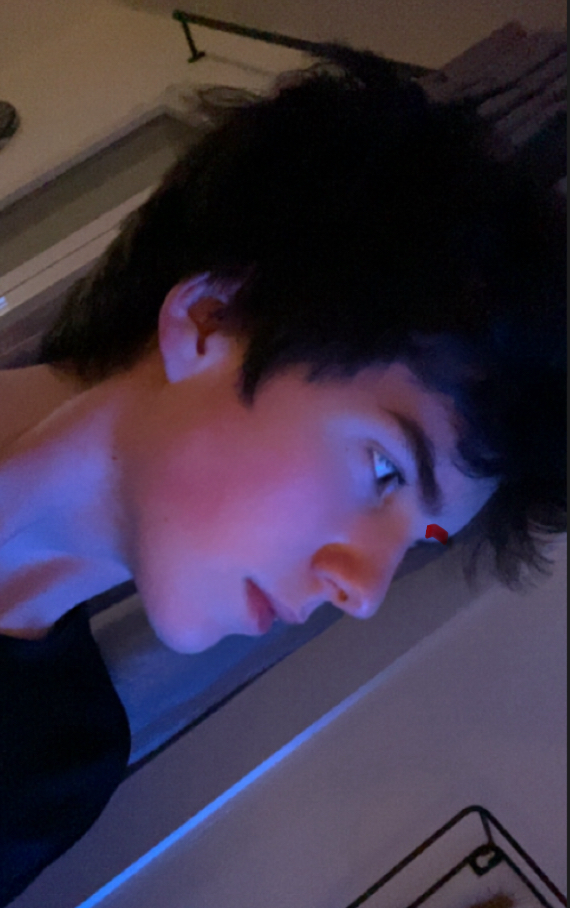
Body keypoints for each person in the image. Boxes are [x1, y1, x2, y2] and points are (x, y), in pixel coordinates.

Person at [0, 43, 566, 903]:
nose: (363, 592)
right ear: (210, 318)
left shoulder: (51, 759)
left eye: (418, 538)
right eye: (385, 469)